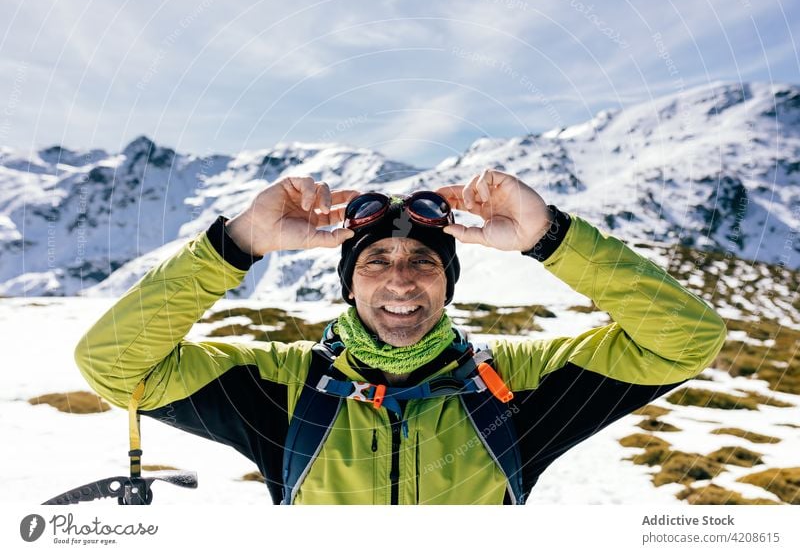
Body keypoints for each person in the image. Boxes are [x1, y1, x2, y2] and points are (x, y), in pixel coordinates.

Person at [75, 169, 726, 505]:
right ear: (347, 286)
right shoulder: (284, 391)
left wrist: (551, 239)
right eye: (375, 262)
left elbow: (686, 340)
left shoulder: (514, 387)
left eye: (423, 262)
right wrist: (238, 244)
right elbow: (112, 364)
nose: (402, 282)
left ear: (449, 283)